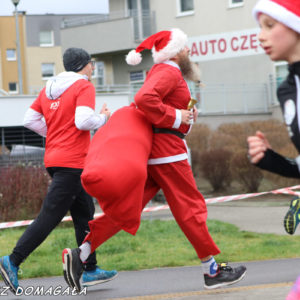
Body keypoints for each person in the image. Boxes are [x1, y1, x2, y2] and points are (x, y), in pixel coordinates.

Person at [61, 29, 246, 293]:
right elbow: (144, 99)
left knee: (128, 208)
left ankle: (81, 255)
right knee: (190, 208)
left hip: (155, 152)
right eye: (185, 48)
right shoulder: (168, 71)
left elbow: (159, 110)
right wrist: (176, 117)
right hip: (168, 153)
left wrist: (184, 118)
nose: (188, 52)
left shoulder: (165, 72)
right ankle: (212, 270)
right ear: (175, 51)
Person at [0, 47, 117, 295]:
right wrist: (104, 118)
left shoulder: (48, 88)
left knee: (84, 213)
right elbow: (83, 121)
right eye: (91, 63)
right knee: (50, 216)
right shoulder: (83, 86)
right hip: (73, 163)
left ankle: (90, 267)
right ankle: (12, 260)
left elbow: (29, 119)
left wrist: (54, 132)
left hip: (56, 160)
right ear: (83, 65)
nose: (93, 67)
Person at [248, 1, 300, 299]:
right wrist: (273, 160)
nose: (261, 36)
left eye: (270, 25)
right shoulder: (287, 90)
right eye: (259, 27)